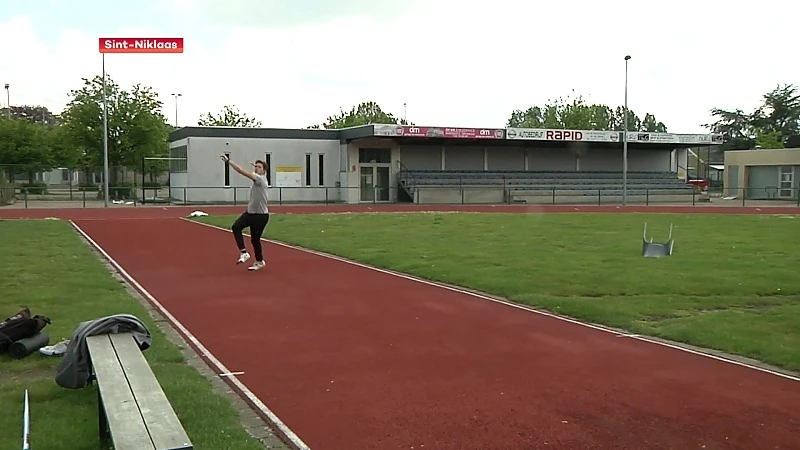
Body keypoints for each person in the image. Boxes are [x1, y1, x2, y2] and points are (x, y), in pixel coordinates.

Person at [220, 154, 270, 271]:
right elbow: (254, 171)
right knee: (236, 227)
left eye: (259, 167)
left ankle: (259, 261)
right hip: (250, 213)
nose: (256, 168)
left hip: (260, 216)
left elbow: (242, 171)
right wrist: (257, 165)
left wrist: (229, 162)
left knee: (255, 239)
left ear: (264, 171)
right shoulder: (258, 177)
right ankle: (244, 253)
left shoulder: (260, 180)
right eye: (256, 167)